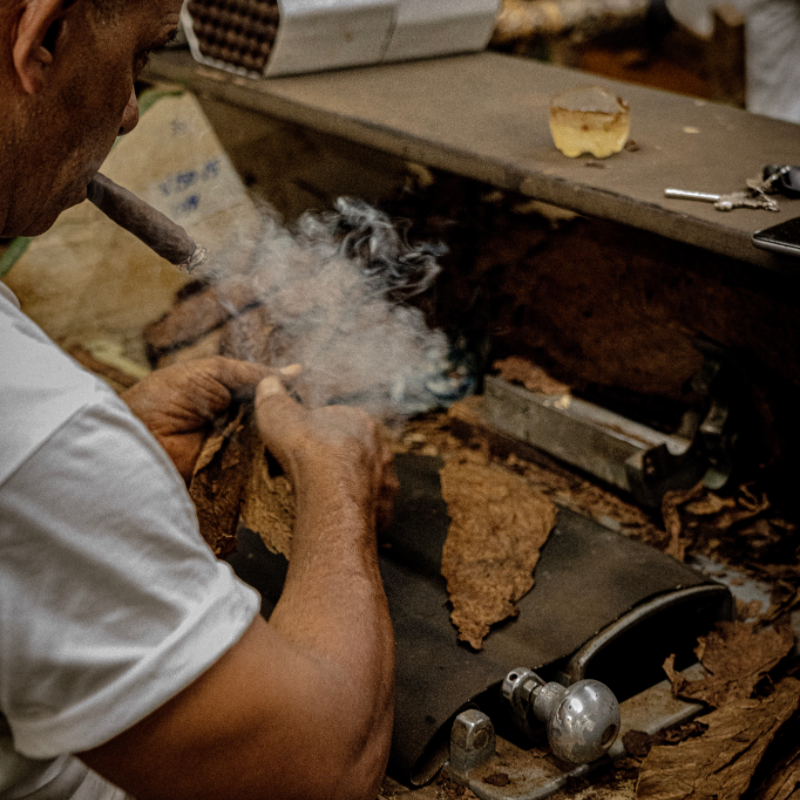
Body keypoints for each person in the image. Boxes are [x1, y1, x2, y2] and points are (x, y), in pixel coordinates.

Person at [0, 0, 396, 797]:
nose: (129, 113)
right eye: (139, 62)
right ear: (40, 39)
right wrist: (336, 480)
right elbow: (319, 768)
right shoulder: (34, 422)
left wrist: (121, 446)